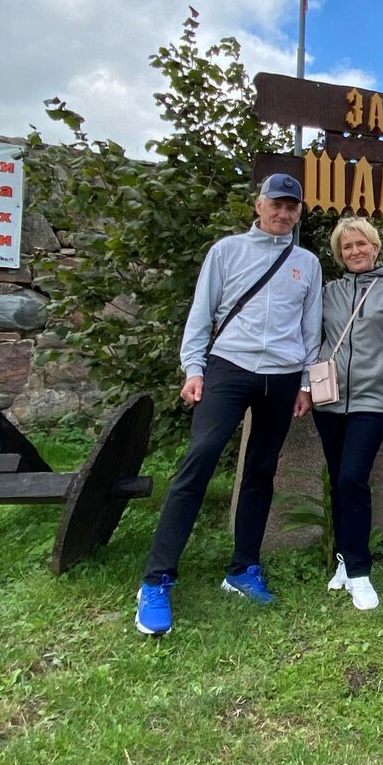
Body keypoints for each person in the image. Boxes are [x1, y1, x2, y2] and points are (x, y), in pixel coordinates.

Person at [134, 174, 323, 637]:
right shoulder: (226, 252)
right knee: (198, 462)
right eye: (276, 205)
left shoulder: (307, 263)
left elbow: (310, 326)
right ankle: (157, 580)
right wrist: (193, 369)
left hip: (281, 377)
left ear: (299, 212)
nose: (283, 214)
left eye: (292, 207)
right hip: (229, 367)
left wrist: (304, 383)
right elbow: (202, 314)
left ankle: (243, 570)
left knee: (261, 472)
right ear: (258, 206)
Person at [316, 217, 383, 611]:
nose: (355, 251)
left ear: (375, 247)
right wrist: (307, 388)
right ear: (339, 254)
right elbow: (314, 340)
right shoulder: (329, 292)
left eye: (361, 244)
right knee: (339, 481)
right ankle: (344, 559)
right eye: (347, 247)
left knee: (353, 478)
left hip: (372, 401)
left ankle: (359, 570)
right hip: (329, 401)